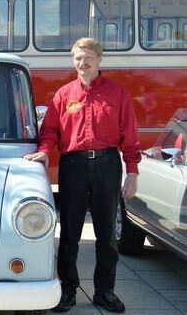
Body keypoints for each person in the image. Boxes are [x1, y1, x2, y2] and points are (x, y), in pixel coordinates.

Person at [24, 37, 141, 313]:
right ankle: (67, 289)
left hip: (107, 165)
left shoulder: (117, 93)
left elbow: (130, 136)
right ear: (72, 60)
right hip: (73, 166)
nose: (82, 62)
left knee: (106, 233)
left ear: (99, 59)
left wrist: (132, 172)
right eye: (77, 57)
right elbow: (50, 130)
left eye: (88, 57)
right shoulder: (63, 95)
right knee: (69, 232)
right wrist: (44, 151)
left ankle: (105, 291)